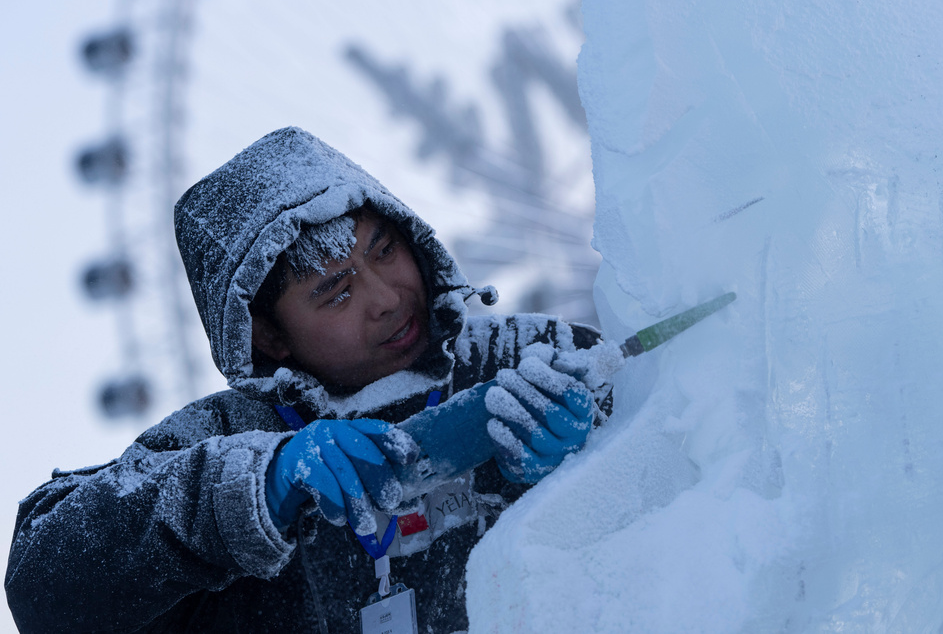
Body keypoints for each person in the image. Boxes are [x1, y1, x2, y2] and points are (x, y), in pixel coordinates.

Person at [5, 127, 609, 633]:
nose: (386, 298)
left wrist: (592, 450)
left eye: (386, 250)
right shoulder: (225, 437)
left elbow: (683, 428)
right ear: (268, 337)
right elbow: (43, 587)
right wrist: (249, 493)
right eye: (336, 291)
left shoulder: (521, 357)